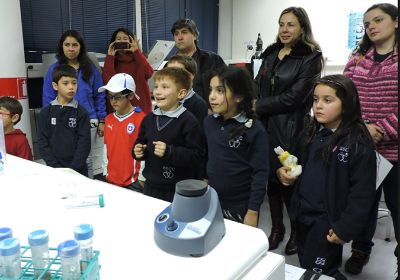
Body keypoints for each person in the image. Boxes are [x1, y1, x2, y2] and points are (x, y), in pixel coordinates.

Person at [277, 75, 376, 280]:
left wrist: (345, 228)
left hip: (327, 222)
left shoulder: (357, 143)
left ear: (347, 104)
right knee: (307, 264)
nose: (318, 106)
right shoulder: (311, 132)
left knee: (323, 271)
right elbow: (298, 165)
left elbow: (362, 194)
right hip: (303, 215)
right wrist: (285, 174)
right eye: (315, 99)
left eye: (327, 100)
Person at [255, 7, 323, 255]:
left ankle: (296, 231)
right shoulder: (271, 53)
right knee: (270, 182)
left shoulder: (311, 57)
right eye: (281, 24)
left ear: (302, 28)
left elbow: (295, 97)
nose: (284, 29)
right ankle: (276, 229)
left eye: (291, 24)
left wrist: (258, 105)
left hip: (291, 128)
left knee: (290, 182)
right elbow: (258, 86)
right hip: (264, 126)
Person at [343, 3, 398, 276]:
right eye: (367, 24)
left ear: (396, 22)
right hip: (363, 147)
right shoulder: (358, 57)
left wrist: (383, 129)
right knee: (363, 204)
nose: (371, 27)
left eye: (378, 20)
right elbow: (344, 95)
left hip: (396, 152)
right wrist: (363, 127)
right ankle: (360, 249)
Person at [205, 66, 268, 227]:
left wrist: (253, 211)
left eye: (220, 91)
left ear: (239, 96)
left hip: (240, 205)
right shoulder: (209, 122)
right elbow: (206, 155)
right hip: (212, 200)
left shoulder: (253, 129)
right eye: (211, 90)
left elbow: (260, 173)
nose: (211, 96)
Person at [133, 67, 205, 202]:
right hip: (151, 186)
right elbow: (140, 142)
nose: (158, 91)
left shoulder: (189, 121)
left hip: (178, 190)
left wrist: (170, 152)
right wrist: (137, 151)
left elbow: (197, 156)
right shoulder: (149, 118)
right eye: (156, 87)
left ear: (181, 93)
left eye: (165, 87)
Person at [42, 29, 106, 178]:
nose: (71, 49)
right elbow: (48, 98)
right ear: (61, 46)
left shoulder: (90, 68)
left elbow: (99, 94)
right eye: (67, 44)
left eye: (75, 45)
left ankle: (88, 190)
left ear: (81, 47)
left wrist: (102, 119)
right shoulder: (54, 70)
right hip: (61, 120)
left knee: (88, 160)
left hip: (89, 119)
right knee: (64, 155)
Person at [38, 64, 91, 176]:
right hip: (54, 170)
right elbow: (43, 143)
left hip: (78, 170)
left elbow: (84, 144)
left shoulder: (82, 113)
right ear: (55, 86)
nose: (71, 87)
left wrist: (73, 169)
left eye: (74, 83)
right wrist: (56, 167)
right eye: (65, 83)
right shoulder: (46, 113)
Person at [99, 73, 146, 191]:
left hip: (133, 183)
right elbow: (106, 148)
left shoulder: (142, 119)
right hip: (111, 180)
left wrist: (141, 179)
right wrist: (105, 172)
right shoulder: (108, 119)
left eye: (118, 97)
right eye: (110, 97)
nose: (113, 101)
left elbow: (145, 151)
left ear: (130, 96)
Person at [171, 18, 226, 102]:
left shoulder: (212, 59)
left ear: (195, 35)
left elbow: (226, 87)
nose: (180, 37)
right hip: (178, 112)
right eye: (176, 34)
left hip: (208, 112)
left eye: (184, 32)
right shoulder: (170, 65)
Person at [102, 28, 154, 114]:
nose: (122, 41)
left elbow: (149, 73)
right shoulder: (111, 61)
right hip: (119, 109)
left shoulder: (138, 58)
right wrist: (110, 57)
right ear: (113, 42)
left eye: (125, 39)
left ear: (131, 41)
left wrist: (137, 52)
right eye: (118, 39)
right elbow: (109, 83)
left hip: (140, 109)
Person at [165, 55, 208, 126]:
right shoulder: (164, 99)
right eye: (168, 72)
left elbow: (198, 134)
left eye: (178, 72)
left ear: (191, 75)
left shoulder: (199, 104)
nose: (172, 76)